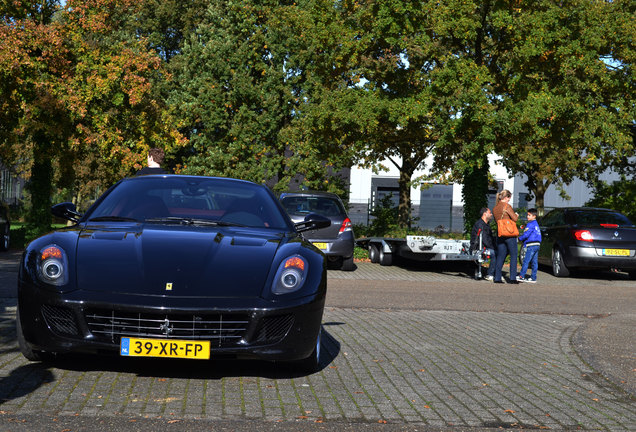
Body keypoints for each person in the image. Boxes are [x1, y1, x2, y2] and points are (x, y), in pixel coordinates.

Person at [492, 189, 519, 284]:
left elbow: (496, 221)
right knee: (514, 255)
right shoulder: (507, 206)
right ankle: (512, 278)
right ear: (506, 197)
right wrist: (516, 215)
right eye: (509, 198)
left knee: (500, 256)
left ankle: (497, 278)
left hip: (500, 234)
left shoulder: (495, 208)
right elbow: (514, 219)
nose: (509, 200)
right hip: (510, 234)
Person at [470, 207, 496, 281]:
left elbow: (489, 238)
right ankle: (490, 274)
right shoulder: (480, 224)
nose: (491, 214)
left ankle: (495, 273)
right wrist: (494, 247)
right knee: (495, 253)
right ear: (485, 214)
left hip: (484, 246)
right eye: (490, 213)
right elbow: (484, 240)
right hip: (478, 247)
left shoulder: (486, 224)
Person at [517, 208, 541, 283]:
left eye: (529, 215)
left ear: (534, 216)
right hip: (537, 244)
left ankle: (521, 276)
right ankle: (533, 277)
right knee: (534, 262)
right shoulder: (536, 224)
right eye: (527, 215)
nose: (527, 216)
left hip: (531, 244)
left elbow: (526, 234)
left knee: (526, 261)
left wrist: (519, 239)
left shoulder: (530, 224)